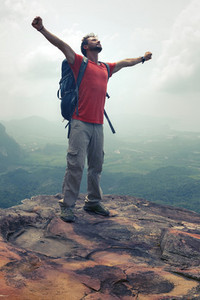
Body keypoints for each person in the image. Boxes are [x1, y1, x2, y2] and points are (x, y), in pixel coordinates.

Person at [32, 16, 153, 222]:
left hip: (98, 125)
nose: (98, 41)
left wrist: (142, 59)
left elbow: (124, 63)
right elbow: (61, 45)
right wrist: (42, 28)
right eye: (94, 40)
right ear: (85, 46)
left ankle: (93, 202)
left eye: (98, 39)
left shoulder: (105, 68)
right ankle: (67, 206)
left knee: (96, 165)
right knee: (76, 164)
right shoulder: (79, 63)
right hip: (80, 123)